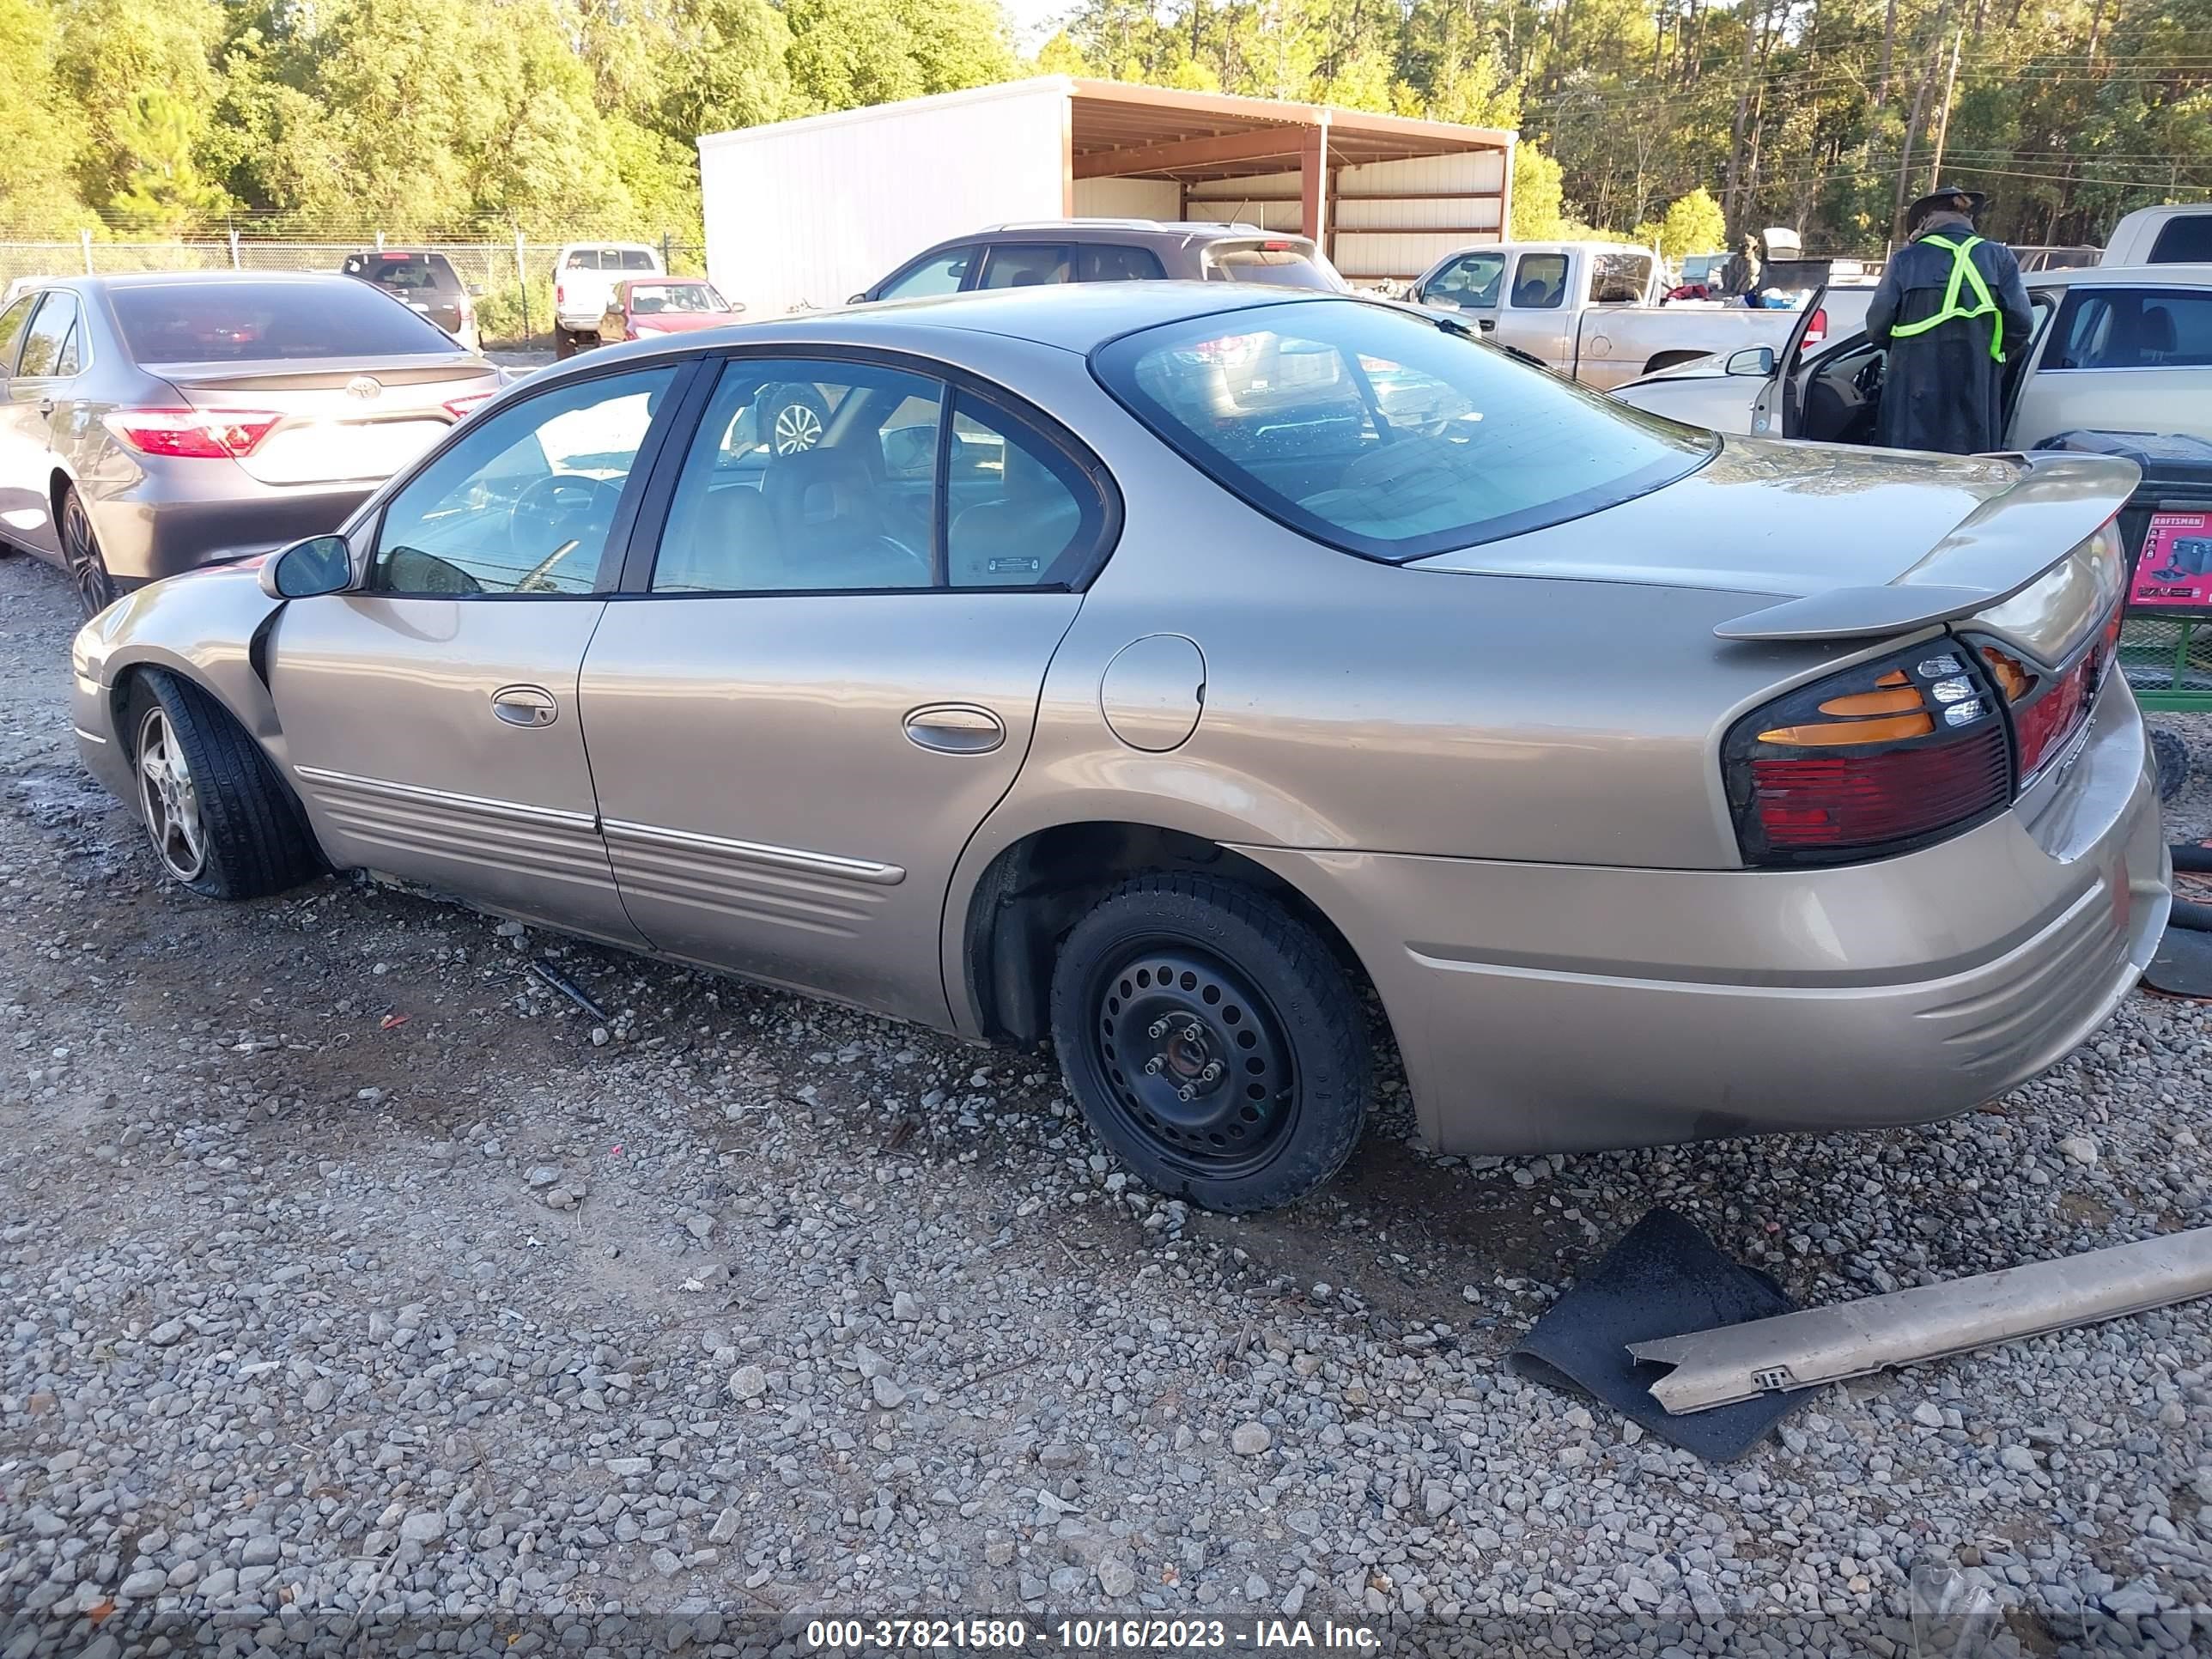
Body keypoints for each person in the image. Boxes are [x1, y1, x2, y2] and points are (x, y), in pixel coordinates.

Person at [1865, 185, 2034, 454]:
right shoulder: (1998, 257)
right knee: (1968, 476)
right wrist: (1987, 357)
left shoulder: (1905, 261)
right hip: (1975, 389)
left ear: (1924, 221)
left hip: (1912, 393)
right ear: (1968, 218)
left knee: (1907, 473)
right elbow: (2022, 324)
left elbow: (1877, 328)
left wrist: (1906, 351)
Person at [1719, 234, 1763, 303]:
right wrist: (1727, 288)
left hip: (1742, 292)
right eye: (1740, 246)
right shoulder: (1734, 259)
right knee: (1725, 267)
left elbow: (1744, 280)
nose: (1741, 249)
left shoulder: (1754, 264)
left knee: (1751, 279)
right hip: (1732, 288)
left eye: (1745, 247)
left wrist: (1736, 291)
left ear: (1754, 248)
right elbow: (1731, 275)